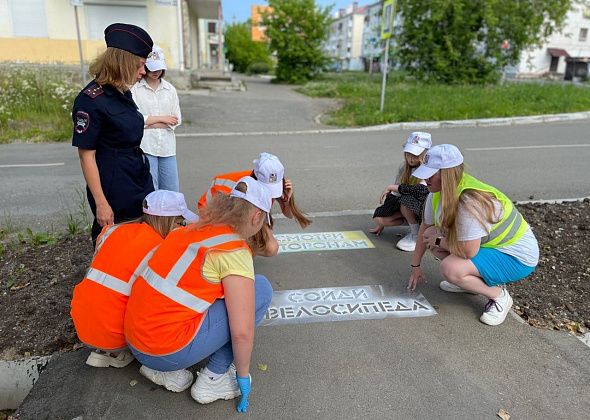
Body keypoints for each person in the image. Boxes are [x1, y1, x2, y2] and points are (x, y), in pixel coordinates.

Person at [124, 176, 273, 413]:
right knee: (261, 290)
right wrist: (243, 375)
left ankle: (163, 369)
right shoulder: (233, 250)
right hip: (164, 350)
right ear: (257, 218)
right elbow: (242, 332)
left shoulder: (192, 230)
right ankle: (214, 379)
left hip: (136, 341)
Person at [407, 144, 539, 326]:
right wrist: (415, 265)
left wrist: (439, 240)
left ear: (447, 174)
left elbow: (468, 251)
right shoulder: (437, 192)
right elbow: (425, 227)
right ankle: (469, 282)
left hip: (517, 257)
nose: (425, 178)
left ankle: (499, 296)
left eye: (431, 173)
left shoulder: (468, 201)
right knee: (431, 234)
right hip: (491, 247)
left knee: (450, 268)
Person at [70, 190, 197, 368]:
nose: (183, 228)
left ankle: (105, 350)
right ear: (167, 221)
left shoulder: (110, 231)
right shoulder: (161, 249)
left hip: (82, 327)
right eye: (180, 222)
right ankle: (120, 349)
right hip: (116, 335)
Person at [72, 23, 155, 246]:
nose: (143, 72)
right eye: (140, 65)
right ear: (124, 62)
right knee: (115, 243)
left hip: (137, 176)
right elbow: (86, 156)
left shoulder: (121, 92)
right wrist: (101, 203)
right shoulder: (90, 100)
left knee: (142, 238)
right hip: (114, 186)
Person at [197, 152, 312, 256]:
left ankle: (241, 252)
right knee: (237, 245)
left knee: (271, 247)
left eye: (273, 189)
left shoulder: (274, 181)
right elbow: (221, 217)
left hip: (242, 215)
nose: (270, 193)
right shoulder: (236, 188)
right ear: (254, 178)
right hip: (215, 217)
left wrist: (287, 199)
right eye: (266, 188)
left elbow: (289, 214)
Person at [131, 45, 182, 192]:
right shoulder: (135, 89)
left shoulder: (170, 89)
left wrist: (149, 122)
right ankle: (153, 217)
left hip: (168, 147)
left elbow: (176, 119)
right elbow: (136, 119)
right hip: (145, 146)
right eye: (151, 68)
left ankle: (171, 216)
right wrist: (163, 119)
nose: (156, 72)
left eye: (159, 68)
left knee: (172, 189)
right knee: (151, 190)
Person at [370, 132, 432, 252]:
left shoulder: (428, 168)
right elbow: (396, 192)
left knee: (405, 201)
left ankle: (416, 235)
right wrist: (382, 219)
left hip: (428, 207)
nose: (410, 158)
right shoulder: (404, 167)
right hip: (412, 206)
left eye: (415, 154)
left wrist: (395, 188)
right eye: (408, 153)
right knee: (380, 218)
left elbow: (422, 191)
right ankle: (415, 226)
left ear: (425, 153)